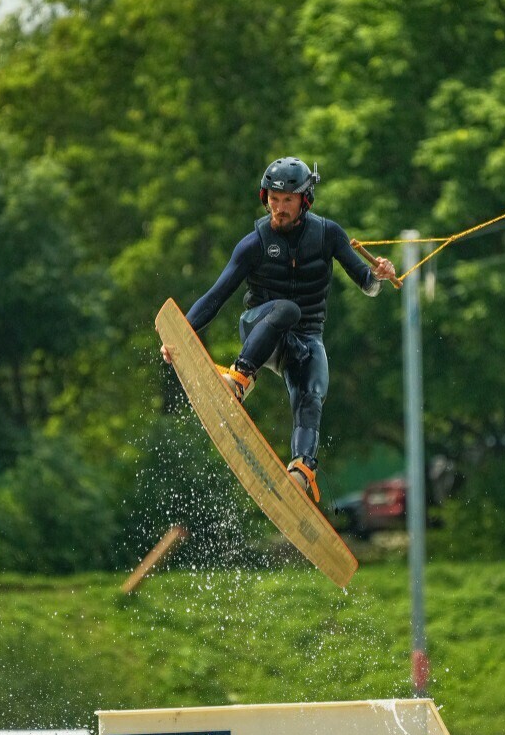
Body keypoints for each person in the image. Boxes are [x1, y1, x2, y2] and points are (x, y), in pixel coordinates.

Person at [162, 157, 396, 504]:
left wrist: (379, 275)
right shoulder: (253, 243)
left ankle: (301, 472)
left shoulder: (329, 234)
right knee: (287, 308)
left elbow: (366, 282)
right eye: (273, 198)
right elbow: (215, 296)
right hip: (262, 330)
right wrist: (180, 337)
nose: (279, 207)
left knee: (313, 392)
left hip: (305, 339)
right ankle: (239, 380)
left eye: (287, 200)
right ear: (264, 196)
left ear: (305, 200)